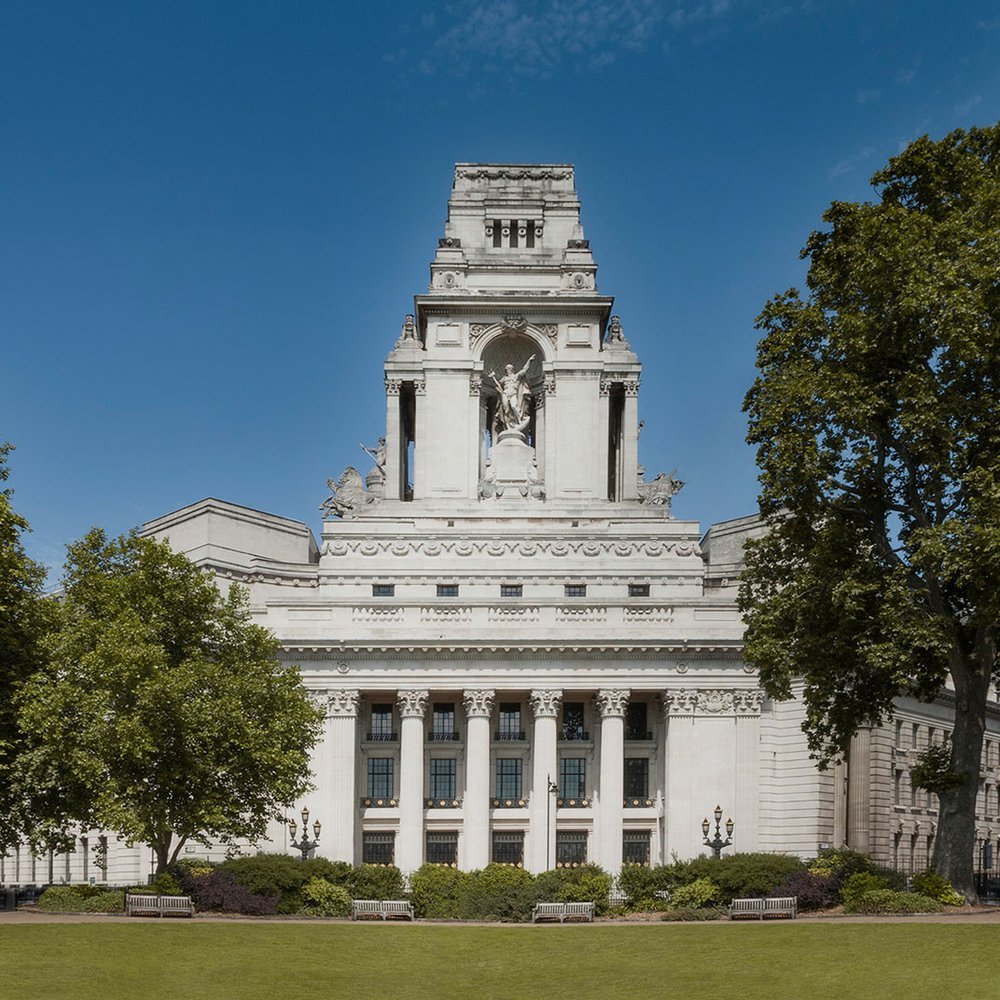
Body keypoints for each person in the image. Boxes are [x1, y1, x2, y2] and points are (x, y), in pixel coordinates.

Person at [487, 355, 535, 433]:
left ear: (512, 370)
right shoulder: (504, 379)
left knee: (513, 406)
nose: (507, 370)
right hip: (505, 394)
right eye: (506, 369)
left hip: (513, 394)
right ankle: (507, 426)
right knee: (505, 410)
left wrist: (529, 360)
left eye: (509, 369)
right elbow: (499, 385)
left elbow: (524, 369)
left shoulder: (516, 377)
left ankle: (519, 420)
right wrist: (493, 377)